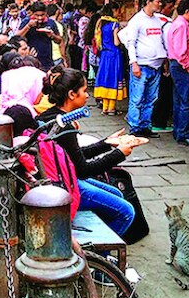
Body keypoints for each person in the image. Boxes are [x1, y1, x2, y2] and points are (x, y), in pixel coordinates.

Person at [38, 67, 148, 237]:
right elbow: (83, 170)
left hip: (63, 178)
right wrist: (119, 153)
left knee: (117, 193)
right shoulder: (63, 127)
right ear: (72, 95)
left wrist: (106, 143)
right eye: (83, 91)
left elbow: (74, 156)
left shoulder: (48, 116)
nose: (87, 95)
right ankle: (99, 253)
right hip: (66, 186)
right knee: (127, 212)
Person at [124, 0, 168, 138]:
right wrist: (134, 63)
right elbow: (131, 44)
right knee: (137, 99)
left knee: (151, 99)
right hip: (141, 65)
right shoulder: (136, 20)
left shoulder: (158, 20)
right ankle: (135, 127)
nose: (160, 4)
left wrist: (165, 62)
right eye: (157, 1)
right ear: (148, 2)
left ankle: (145, 126)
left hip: (156, 65)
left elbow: (161, 42)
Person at [166, 0, 189, 146]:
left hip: (179, 67)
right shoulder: (181, 25)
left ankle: (179, 132)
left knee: (179, 100)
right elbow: (180, 51)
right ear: (188, 11)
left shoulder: (178, 24)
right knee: (187, 101)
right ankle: (184, 134)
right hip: (183, 68)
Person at [150, 0, 178, 132]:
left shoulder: (151, 19)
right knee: (164, 93)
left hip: (150, 61)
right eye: (170, 7)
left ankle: (150, 120)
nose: (172, 10)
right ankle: (159, 122)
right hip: (164, 62)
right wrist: (167, 63)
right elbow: (168, 45)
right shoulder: (166, 23)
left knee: (152, 92)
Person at [92, 3, 125, 114]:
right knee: (113, 78)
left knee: (105, 78)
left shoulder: (100, 23)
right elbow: (116, 42)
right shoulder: (114, 24)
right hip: (114, 55)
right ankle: (111, 108)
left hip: (104, 55)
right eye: (117, 11)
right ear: (113, 10)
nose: (118, 13)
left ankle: (105, 108)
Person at [16, 0, 60, 70]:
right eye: (37, 15)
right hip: (30, 61)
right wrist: (28, 26)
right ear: (32, 13)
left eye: (42, 15)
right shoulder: (26, 21)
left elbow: (59, 40)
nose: (40, 18)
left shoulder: (51, 23)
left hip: (47, 62)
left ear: (46, 13)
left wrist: (52, 35)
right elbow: (17, 37)